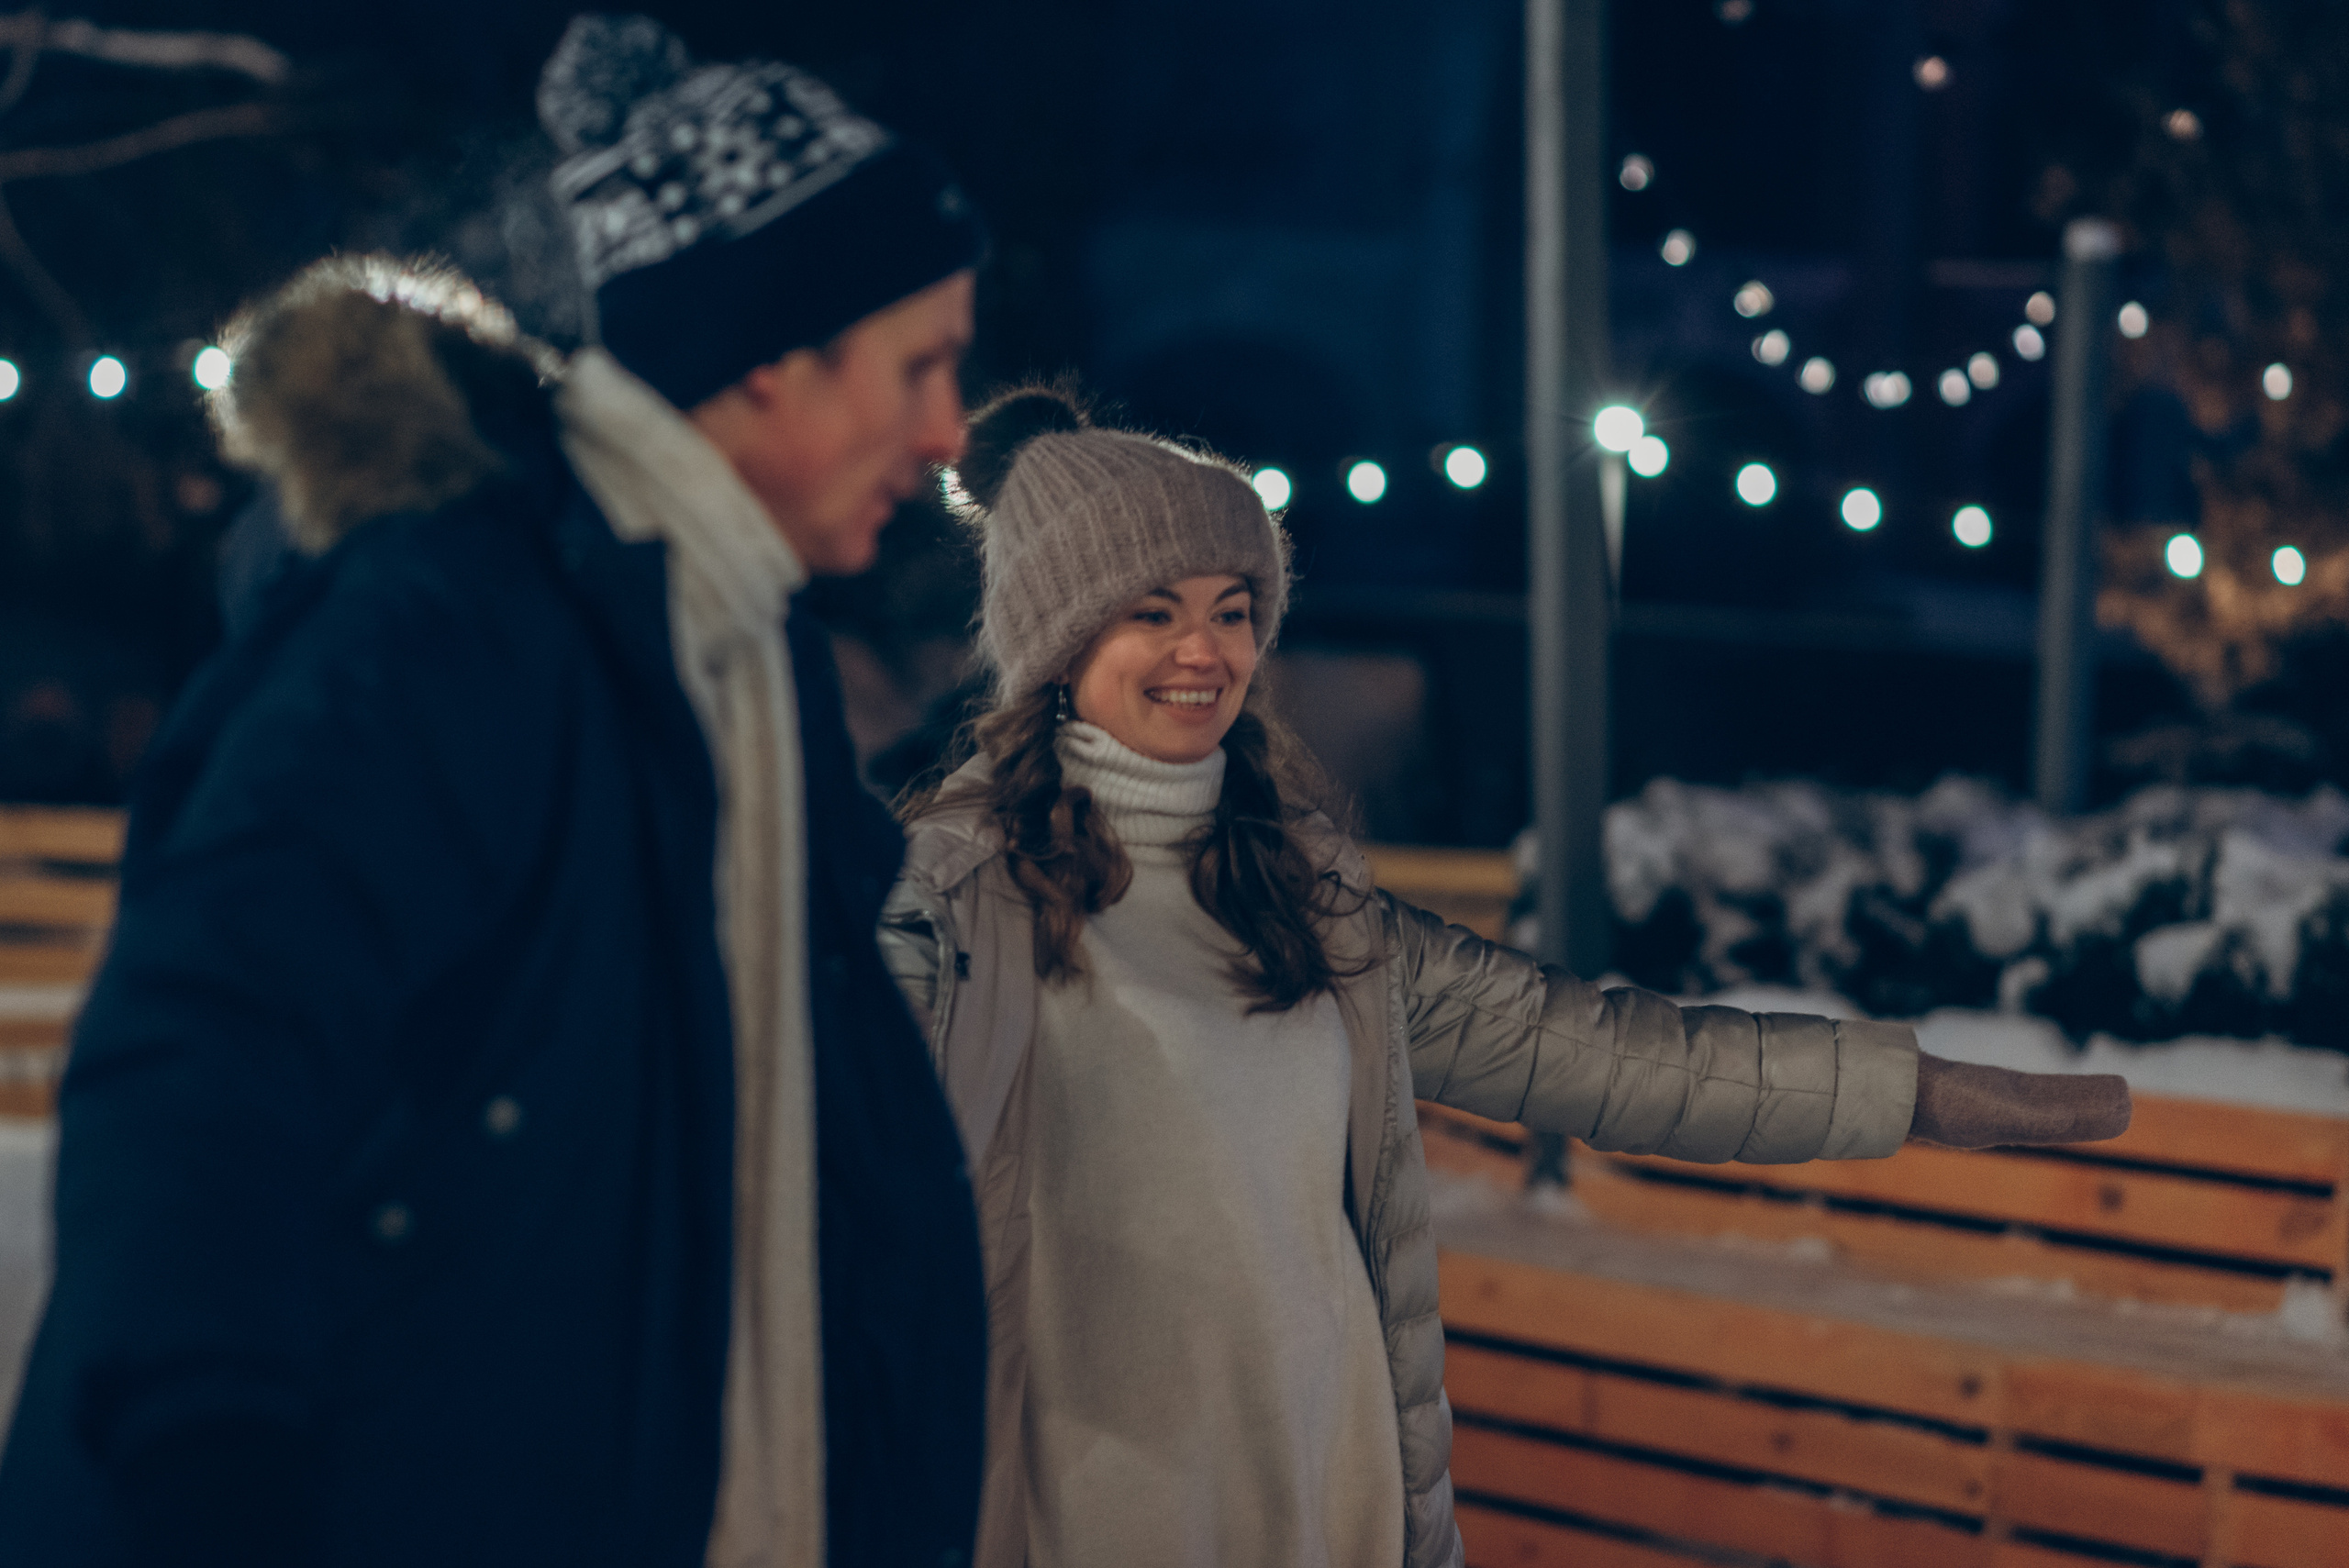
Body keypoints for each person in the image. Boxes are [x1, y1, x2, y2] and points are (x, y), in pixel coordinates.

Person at [0, 17, 988, 1567]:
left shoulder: (740, 662)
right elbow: (209, 1054)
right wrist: (220, 1478)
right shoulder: (449, 628)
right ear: (768, 363)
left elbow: (835, 1164)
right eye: (920, 363)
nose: (947, 435)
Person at [879, 385, 2135, 1568]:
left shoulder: (1308, 905)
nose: (1204, 649)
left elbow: (1594, 1051)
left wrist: (1901, 1091)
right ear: (1056, 633)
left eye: (1232, 606)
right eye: (1152, 609)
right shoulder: (949, 906)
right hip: (1089, 1521)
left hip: (1334, 1505)